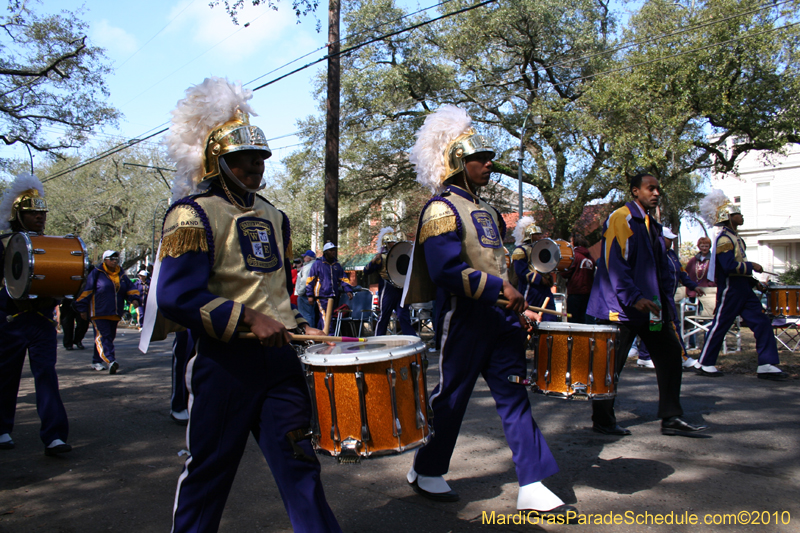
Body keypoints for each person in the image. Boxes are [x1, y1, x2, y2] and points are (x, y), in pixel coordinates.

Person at [154, 77, 341, 532]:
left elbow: (274, 292)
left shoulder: (276, 216)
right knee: (208, 473)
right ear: (218, 160)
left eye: (259, 157)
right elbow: (176, 297)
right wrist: (246, 318)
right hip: (224, 367)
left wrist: (302, 324)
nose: (255, 165)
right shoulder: (191, 213)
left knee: (301, 466)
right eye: (243, 158)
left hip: (279, 366)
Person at [403, 105, 576, 519]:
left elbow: (501, 262)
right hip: (464, 317)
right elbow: (446, 271)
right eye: (479, 159)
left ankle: (532, 483)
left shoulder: (491, 212)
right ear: (458, 163)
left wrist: (517, 303)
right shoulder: (440, 208)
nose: (488, 164)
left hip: (501, 320)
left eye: (488, 158)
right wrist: (502, 290)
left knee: (514, 397)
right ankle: (426, 468)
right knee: (452, 398)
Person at [586, 173, 707, 437]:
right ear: (635, 191)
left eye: (657, 189)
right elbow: (614, 264)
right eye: (650, 188)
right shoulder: (622, 217)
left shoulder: (651, 223)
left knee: (671, 354)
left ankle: (671, 418)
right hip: (620, 308)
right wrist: (633, 297)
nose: (656, 193)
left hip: (649, 308)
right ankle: (603, 420)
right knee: (609, 366)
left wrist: (663, 304)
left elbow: (660, 268)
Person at [0, 173, 71, 455]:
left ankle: (54, 435)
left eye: (42, 213)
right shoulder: (4, 243)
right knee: (6, 375)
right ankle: (2, 428)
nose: (40, 218)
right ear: (19, 214)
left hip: (41, 319)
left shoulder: (51, 245)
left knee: (46, 375)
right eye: (33, 214)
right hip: (9, 319)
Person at [695, 190, 788, 380]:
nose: (741, 215)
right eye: (737, 212)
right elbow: (728, 266)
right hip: (731, 289)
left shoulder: (736, 238)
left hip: (743, 289)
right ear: (728, 217)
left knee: (762, 322)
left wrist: (754, 282)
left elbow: (738, 267)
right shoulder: (724, 239)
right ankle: (705, 363)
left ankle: (767, 364)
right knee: (721, 324)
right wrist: (751, 266)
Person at [636, 228, 704, 369]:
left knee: (658, 326)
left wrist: (693, 286)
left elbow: (682, 274)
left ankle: (645, 355)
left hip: (668, 297)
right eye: (668, 239)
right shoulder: (654, 254)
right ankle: (680, 356)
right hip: (657, 296)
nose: (671, 242)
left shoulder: (671, 255)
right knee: (666, 325)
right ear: (660, 239)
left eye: (672, 239)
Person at [75, 250, 141, 374]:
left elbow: (130, 289)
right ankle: (111, 360)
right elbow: (86, 291)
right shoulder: (96, 274)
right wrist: (82, 309)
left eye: (116, 258)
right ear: (105, 260)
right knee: (103, 336)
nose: (114, 261)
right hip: (99, 312)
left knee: (107, 338)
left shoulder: (121, 275)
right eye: (111, 258)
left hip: (115, 313)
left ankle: (96, 360)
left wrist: (135, 299)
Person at [363, 227, 415, 336]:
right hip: (387, 288)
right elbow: (366, 271)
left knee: (403, 316)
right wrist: (373, 262)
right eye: (391, 242)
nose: (393, 244)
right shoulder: (380, 257)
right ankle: (378, 339)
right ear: (386, 244)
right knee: (384, 316)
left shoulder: (402, 256)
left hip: (401, 288)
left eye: (394, 242)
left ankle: (411, 339)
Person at [510, 217, 557, 322]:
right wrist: (540, 279)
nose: (539, 237)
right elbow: (521, 272)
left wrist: (548, 279)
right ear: (529, 235)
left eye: (540, 234)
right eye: (536, 234)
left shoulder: (542, 250)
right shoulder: (520, 250)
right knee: (529, 317)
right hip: (530, 289)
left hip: (544, 289)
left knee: (549, 317)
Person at [305, 242, 353, 330]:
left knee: (326, 317)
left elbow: (344, 279)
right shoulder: (318, 264)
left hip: (333, 296)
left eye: (334, 250)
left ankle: (320, 337)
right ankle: (329, 336)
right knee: (326, 318)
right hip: (322, 296)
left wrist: (348, 290)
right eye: (331, 250)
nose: (333, 252)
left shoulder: (337, 265)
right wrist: (310, 295)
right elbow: (310, 280)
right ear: (325, 252)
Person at [562, 234, 595, 324]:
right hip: (588, 294)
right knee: (584, 320)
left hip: (575, 293)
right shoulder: (590, 258)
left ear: (574, 243)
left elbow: (565, 273)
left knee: (573, 320)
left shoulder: (574, 256)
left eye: (570, 241)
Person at [294, 250, 317, 326]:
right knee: (311, 315)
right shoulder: (316, 266)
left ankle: (307, 336)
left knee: (305, 316)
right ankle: (312, 334)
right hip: (312, 294)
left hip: (305, 295)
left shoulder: (307, 268)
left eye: (305, 257)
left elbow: (305, 282)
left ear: (309, 258)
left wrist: (300, 292)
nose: (303, 259)